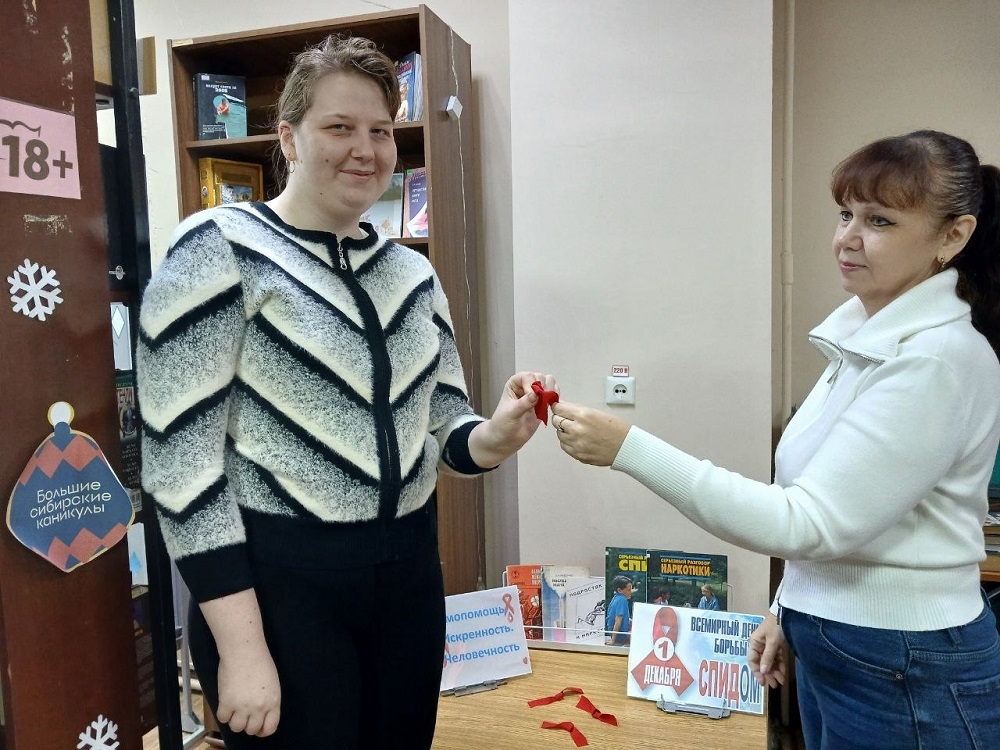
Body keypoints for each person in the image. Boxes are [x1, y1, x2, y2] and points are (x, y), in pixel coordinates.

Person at [137, 34, 557, 750]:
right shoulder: (219, 247)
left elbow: (444, 428)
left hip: (408, 584)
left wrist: (497, 433)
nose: (365, 150)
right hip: (279, 592)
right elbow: (180, 468)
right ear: (289, 138)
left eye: (381, 131)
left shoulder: (413, 275)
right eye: (339, 127)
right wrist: (242, 651)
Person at [551, 130, 1000, 749]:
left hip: (904, 663)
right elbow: (829, 509)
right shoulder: (864, 344)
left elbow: (807, 522)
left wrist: (630, 449)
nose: (847, 238)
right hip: (847, 645)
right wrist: (789, 606)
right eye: (845, 214)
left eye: (880, 221)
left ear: (953, 235)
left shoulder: (936, 359)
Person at [606, 574, 634, 645]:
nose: (631, 592)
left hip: (615, 633)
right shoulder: (622, 600)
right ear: (619, 590)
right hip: (620, 636)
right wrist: (613, 640)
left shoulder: (616, 597)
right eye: (628, 590)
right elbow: (618, 620)